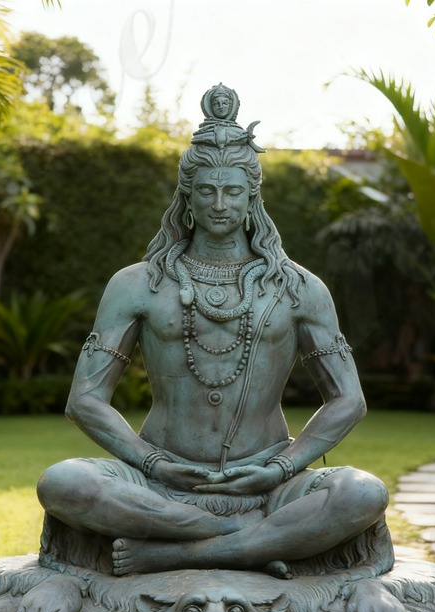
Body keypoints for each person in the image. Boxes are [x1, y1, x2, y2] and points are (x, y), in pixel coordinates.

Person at [35, 84, 395, 586]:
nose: (220, 204)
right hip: (160, 483)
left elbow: (348, 399)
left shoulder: (298, 288)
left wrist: (282, 468)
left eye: (233, 191)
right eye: (206, 190)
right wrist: (152, 463)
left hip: (267, 482)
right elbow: (85, 400)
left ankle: (175, 554)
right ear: (187, 196)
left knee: (363, 493)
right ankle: (243, 540)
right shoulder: (137, 284)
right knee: (64, 482)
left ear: (252, 196)